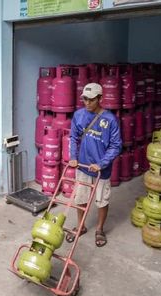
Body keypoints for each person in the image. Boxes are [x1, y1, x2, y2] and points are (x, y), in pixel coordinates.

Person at [68, 83, 122, 247]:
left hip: (101, 170)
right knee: (80, 197)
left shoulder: (110, 120)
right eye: (85, 99)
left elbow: (116, 145)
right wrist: (73, 157)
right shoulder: (78, 115)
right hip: (83, 166)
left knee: (102, 200)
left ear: (100, 98)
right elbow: (73, 138)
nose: (87, 103)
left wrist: (102, 163)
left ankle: (99, 229)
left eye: (91, 100)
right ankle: (81, 226)